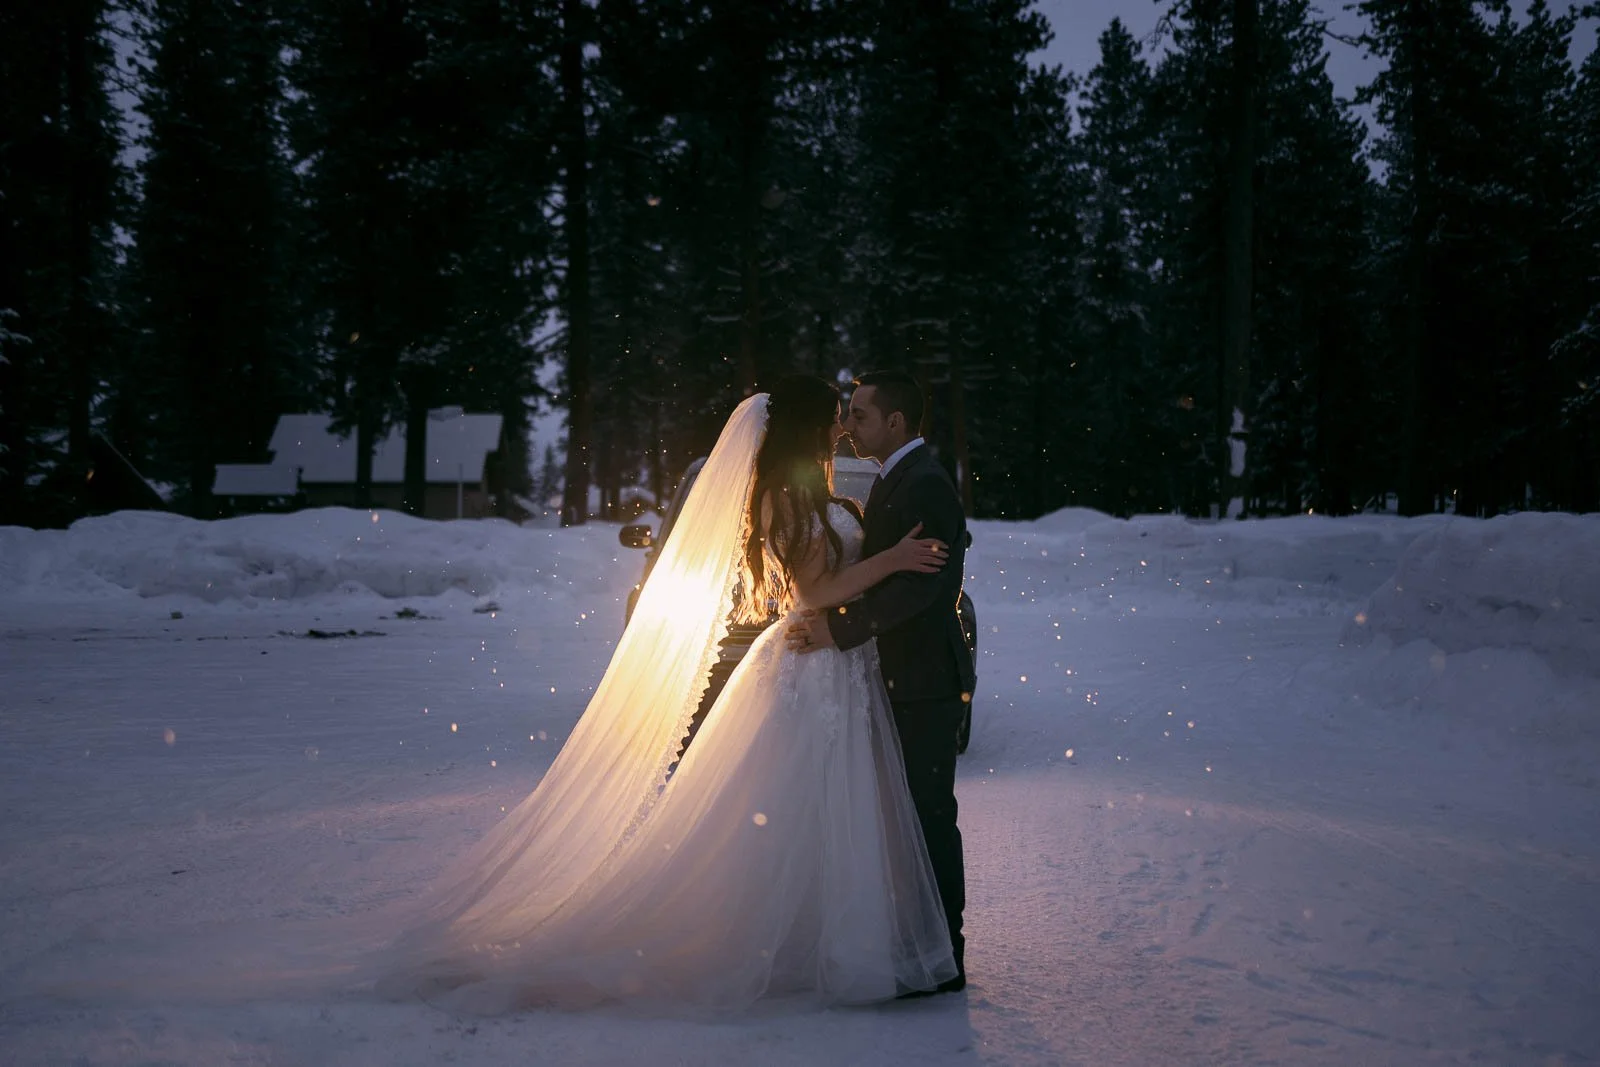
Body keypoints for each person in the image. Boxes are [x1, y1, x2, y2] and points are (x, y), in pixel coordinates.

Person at [376, 376, 961, 1013]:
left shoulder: (814, 493)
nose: (840, 430)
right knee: (799, 803)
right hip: (811, 661)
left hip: (836, 664)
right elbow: (814, 593)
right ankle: (784, 941)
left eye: (849, 418)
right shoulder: (783, 496)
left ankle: (817, 937)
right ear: (804, 428)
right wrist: (894, 559)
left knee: (831, 808)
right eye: (831, 420)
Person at [786, 370, 973, 994]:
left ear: (896, 422)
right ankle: (912, 942)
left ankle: (946, 955)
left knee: (927, 816)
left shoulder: (926, 485)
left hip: (923, 681)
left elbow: (922, 588)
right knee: (896, 818)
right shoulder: (896, 477)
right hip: (891, 676)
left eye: (860, 415)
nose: (848, 425)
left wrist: (840, 630)